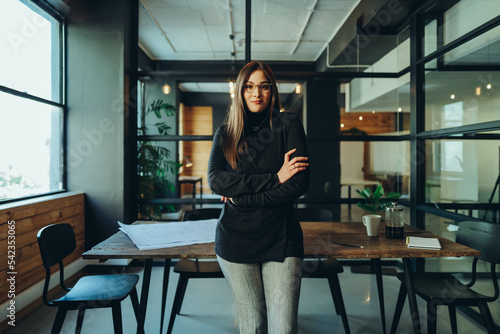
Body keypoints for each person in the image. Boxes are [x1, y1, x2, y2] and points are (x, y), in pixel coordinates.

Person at [208, 61, 310, 334]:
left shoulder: (289, 124)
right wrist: (275, 178)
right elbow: (215, 180)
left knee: (283, 328)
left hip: (282, 238)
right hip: (235, 240)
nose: (257, 93)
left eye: (264, 86)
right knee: (252, 326)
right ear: (240, 92)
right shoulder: (226, 133)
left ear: (272, 90)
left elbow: (299, 184)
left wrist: (240, 195)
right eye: (250, 87)